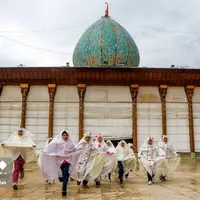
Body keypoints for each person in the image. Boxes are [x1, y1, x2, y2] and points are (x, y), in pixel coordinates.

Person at [39, 130, 78, 197]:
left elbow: (76, 149)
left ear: (68, 136)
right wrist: (45, 151)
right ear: (61, 136)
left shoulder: (71, 143)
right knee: (61, 176)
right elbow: (50, 148)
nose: (65, 136)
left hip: (67, 161)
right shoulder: (57, 143)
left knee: (66, 175)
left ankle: (64, 190)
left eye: (66, 135)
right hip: (59, 161)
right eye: (64, 135)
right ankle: (60, 177)